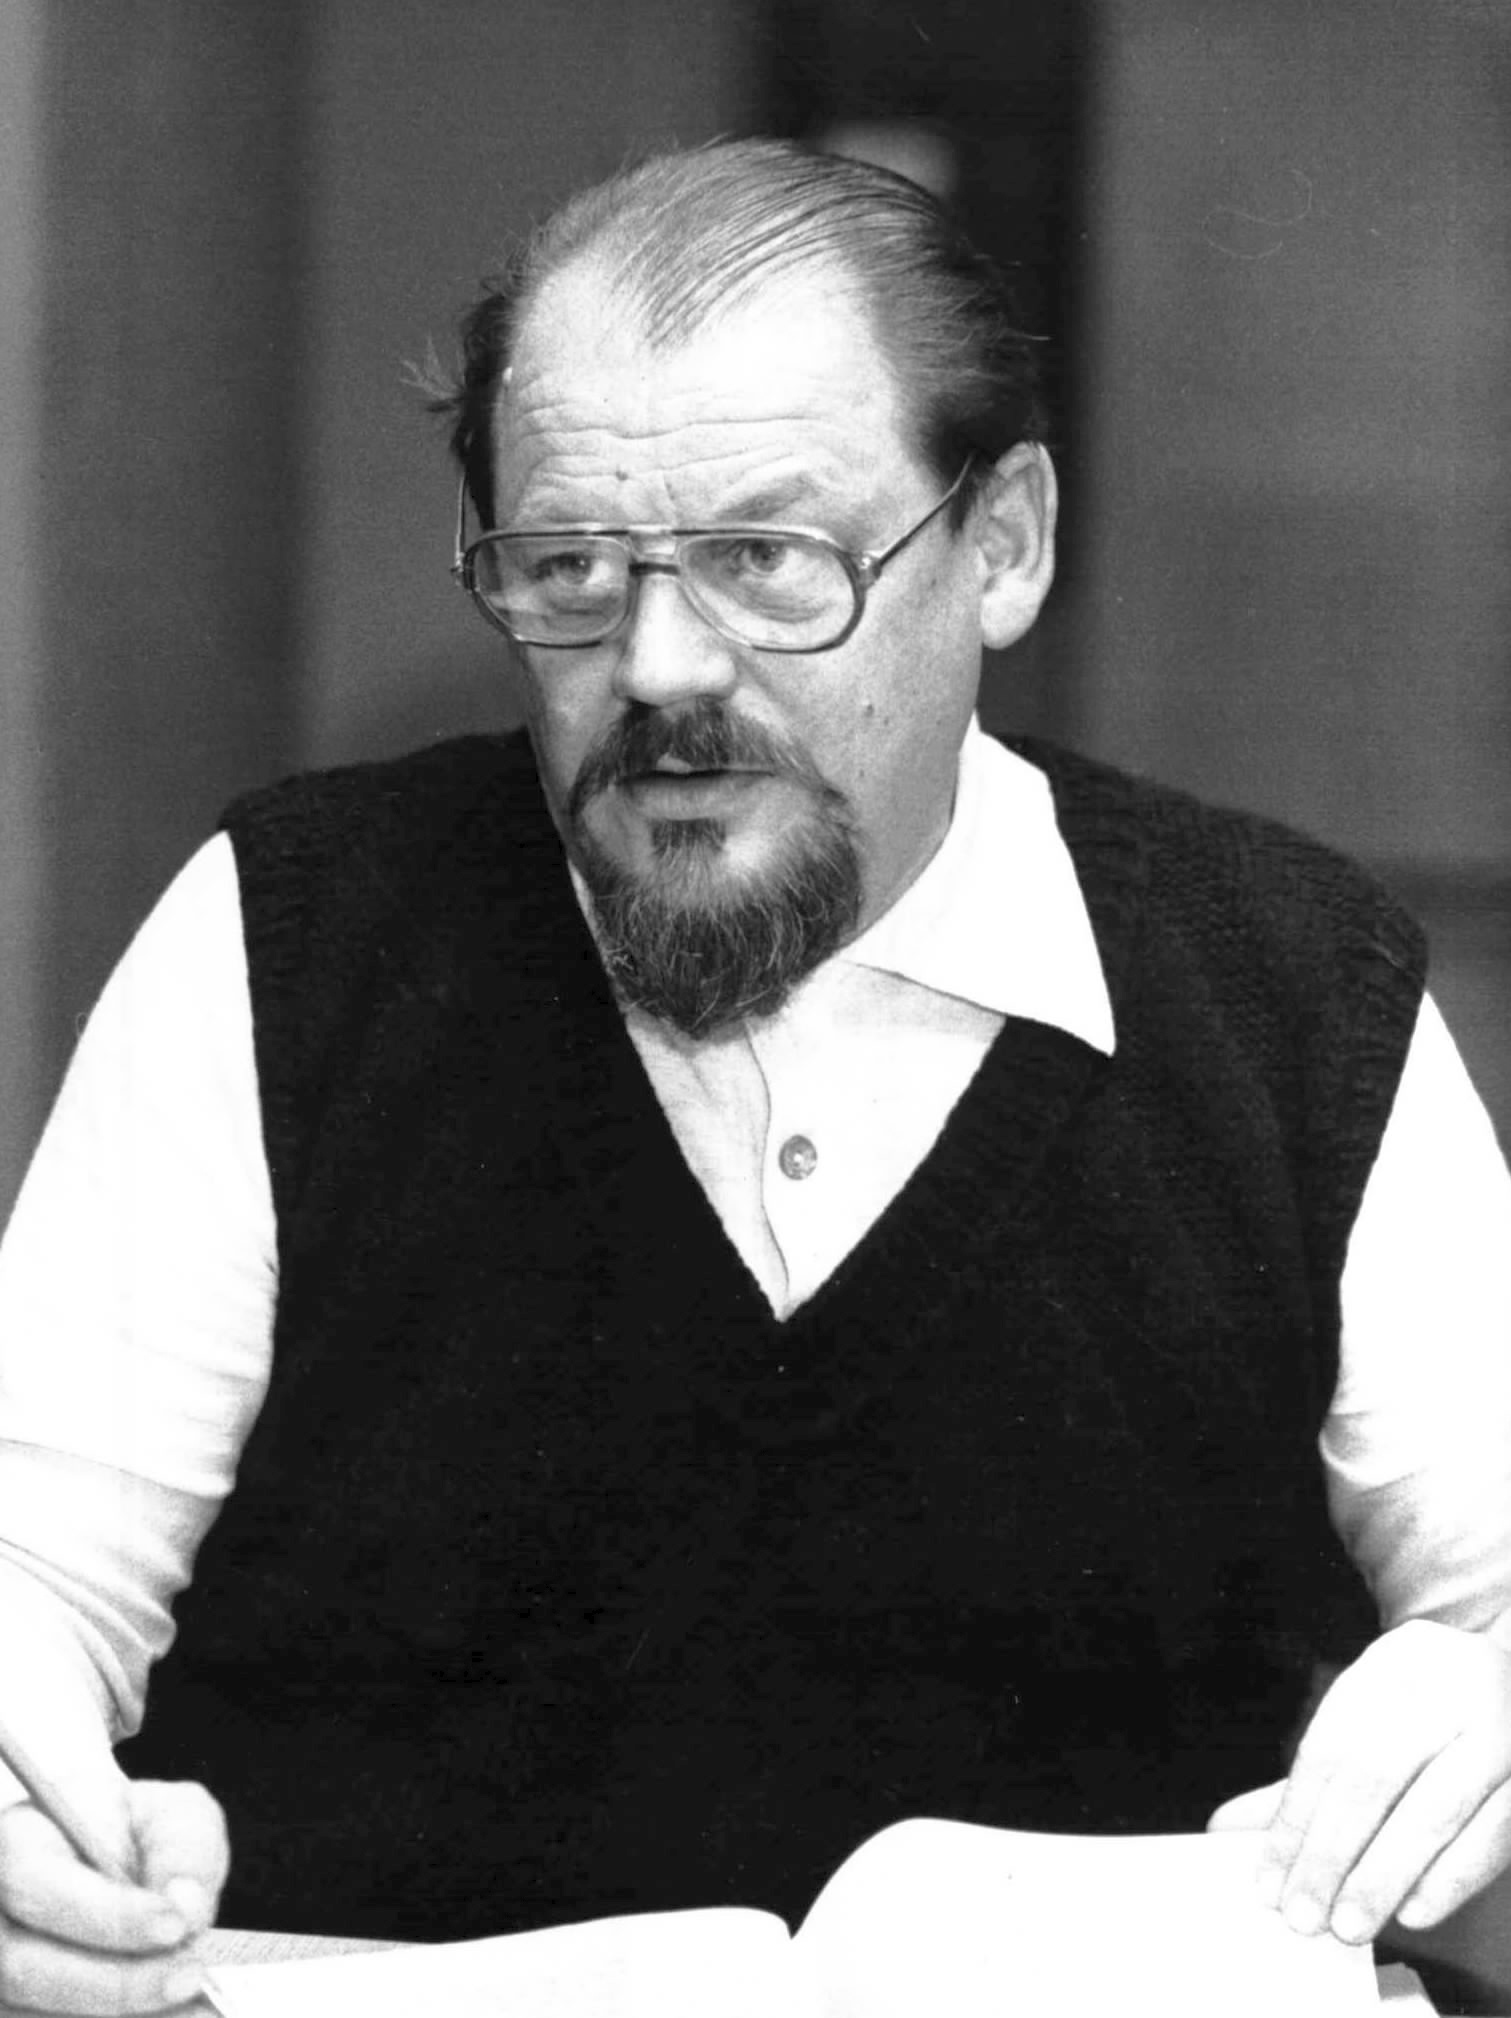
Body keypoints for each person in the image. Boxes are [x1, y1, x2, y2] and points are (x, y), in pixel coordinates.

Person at [1, 137, 1508, 2014]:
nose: (656, 666)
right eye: (568, 567)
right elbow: (28, 1574)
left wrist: (1482, 1689)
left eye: (765, 561)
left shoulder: (1291, 993)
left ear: (1005, 542)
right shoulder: (290, 938)